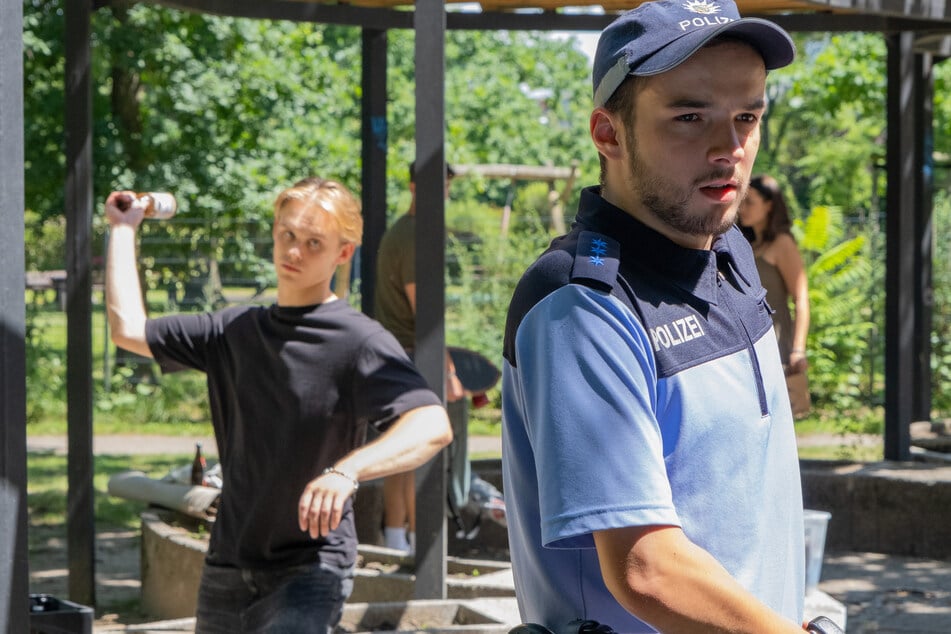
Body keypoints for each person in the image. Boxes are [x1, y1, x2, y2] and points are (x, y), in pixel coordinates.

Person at [501, 2, 809, 632]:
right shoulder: (581, 304)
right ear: (608, 133)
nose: (729, 148)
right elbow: (647, 567)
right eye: (689, 116)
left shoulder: (729, 250)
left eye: (747, 116)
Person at [103, 177, 453, 633]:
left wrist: (347, 471)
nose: (294, 251)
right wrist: (123, 228)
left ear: (342, 253)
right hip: (228, 564)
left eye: (313, 243)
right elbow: (128, 329)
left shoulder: (358, 340)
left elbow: (431, 424)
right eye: (288, 235)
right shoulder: (233, 330)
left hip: (311, 569)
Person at [373, 160, 468, 554]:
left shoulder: (405, 231)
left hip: (397, 354)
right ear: (415, 187)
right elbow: (423, 312)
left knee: (400, 452)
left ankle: (397, 539)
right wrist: (447, 370)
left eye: (446, 184)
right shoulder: (414, 237)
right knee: (420, 448)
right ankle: (416, 544)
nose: (444, 191)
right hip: (413, 355)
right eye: (438, 184)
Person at [739, 174, 810, 376]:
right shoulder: (745, 244)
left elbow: (801, 298)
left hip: (778, 346)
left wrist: (798, 350)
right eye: (742, 201)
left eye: (750, 202)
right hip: (750, 343)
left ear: (769, 205)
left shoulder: (782, 243)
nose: (743, 208)